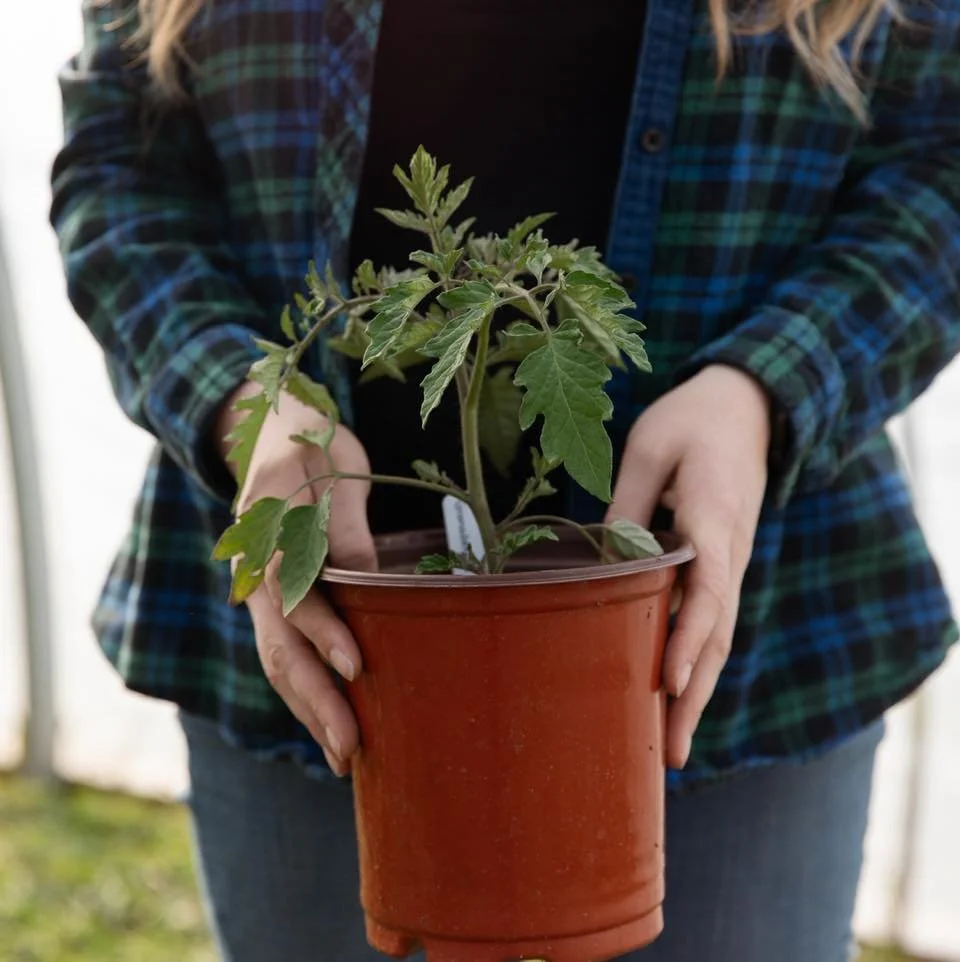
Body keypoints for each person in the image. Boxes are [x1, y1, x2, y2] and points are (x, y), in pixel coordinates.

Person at [51, 0, 960, 959]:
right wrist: (247, 402)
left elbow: (942, 159)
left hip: (763, 636)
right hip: (315, 639)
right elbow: (117, 166)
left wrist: (765, 391)